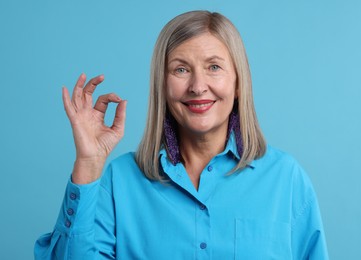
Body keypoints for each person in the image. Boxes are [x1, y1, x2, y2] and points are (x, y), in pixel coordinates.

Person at [35, 10, 328, 259]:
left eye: (214, 67)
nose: (198, 86)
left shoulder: (286, 179)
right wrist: (88, 162)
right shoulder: (120, 180)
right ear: (162, 85)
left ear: (239, 83)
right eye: (181, 69)